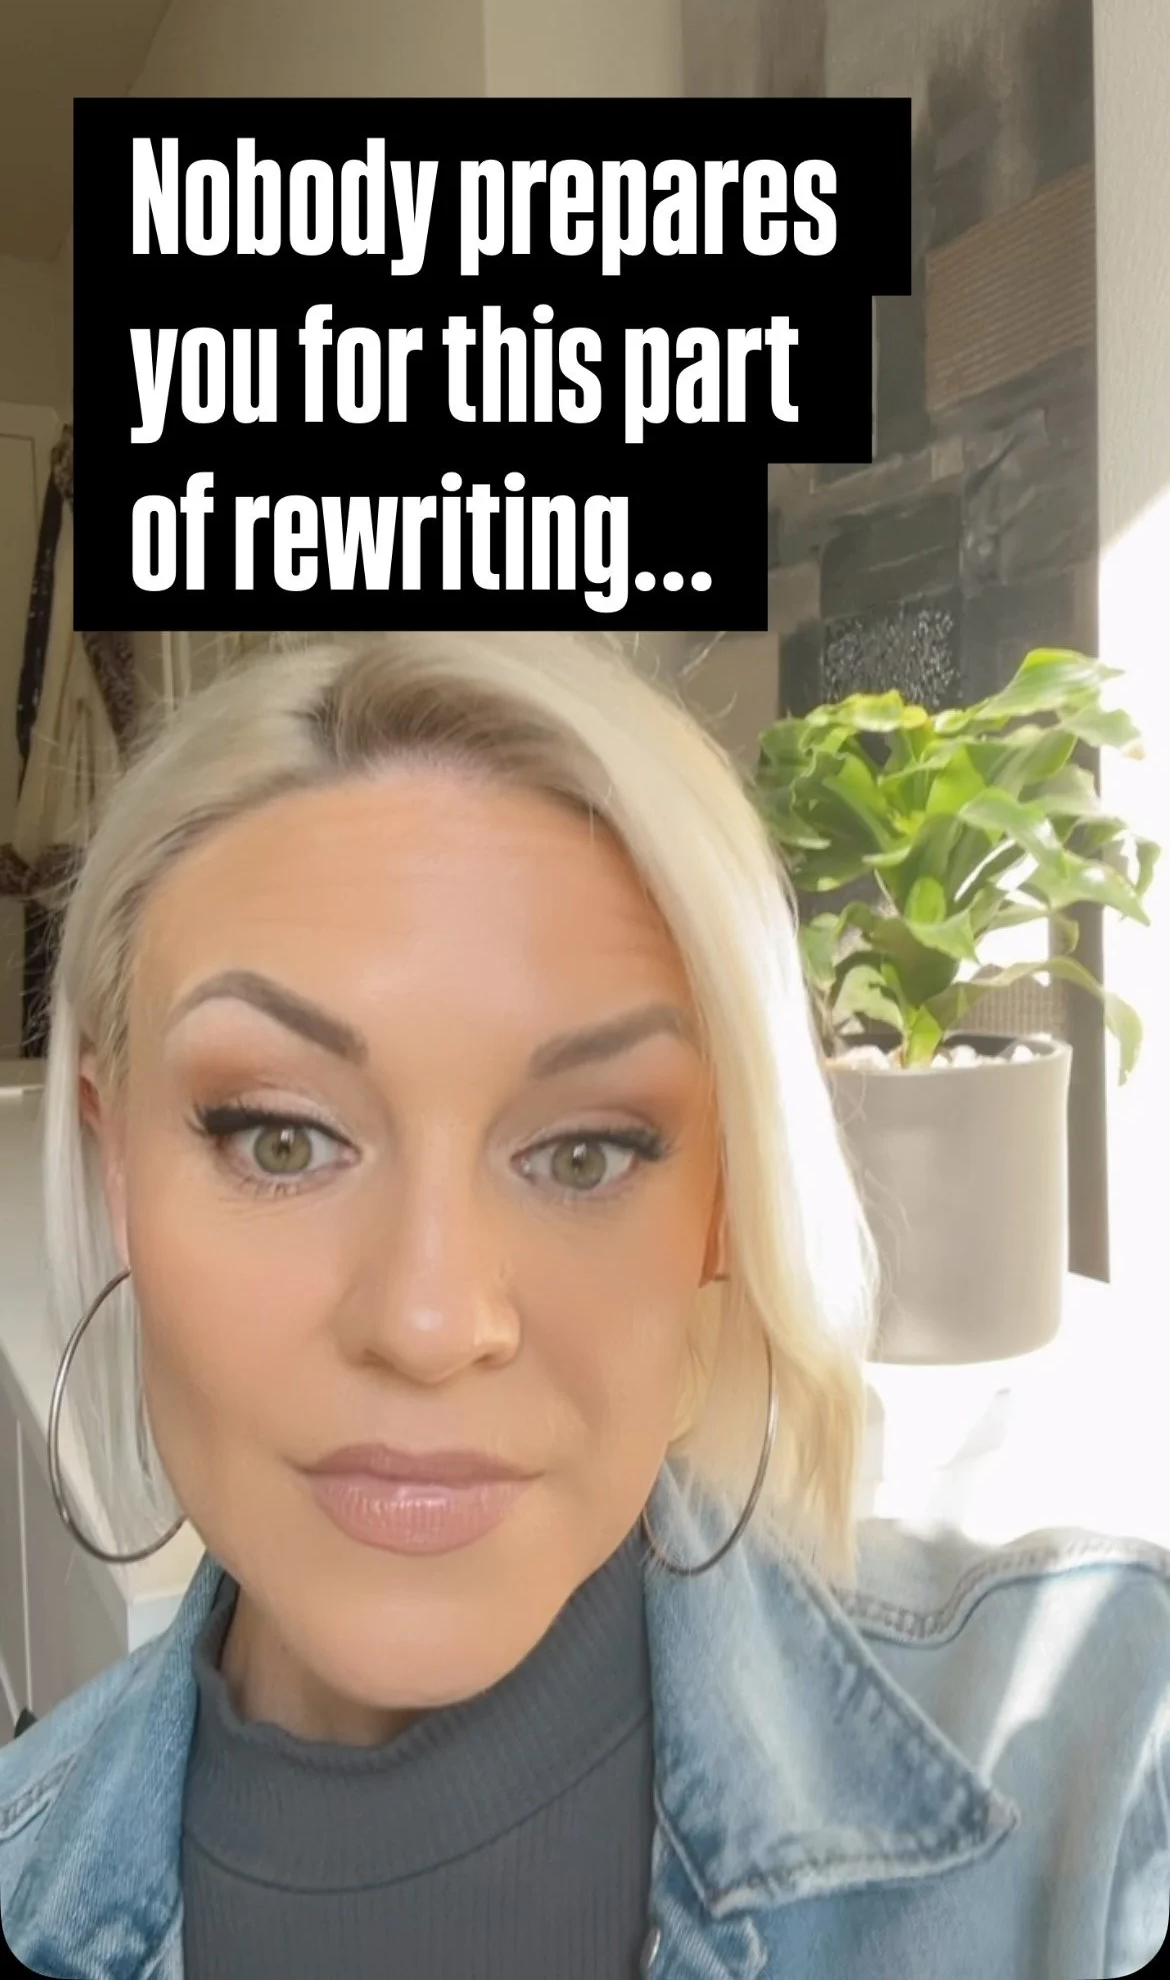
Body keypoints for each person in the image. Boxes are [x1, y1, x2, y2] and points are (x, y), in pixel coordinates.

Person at [0, 629, 1166, 1980]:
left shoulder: (1107, 1759)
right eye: (280, 1138)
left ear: (721, 1202)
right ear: (117, 1165)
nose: (432, 1324)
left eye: (583, 1154)